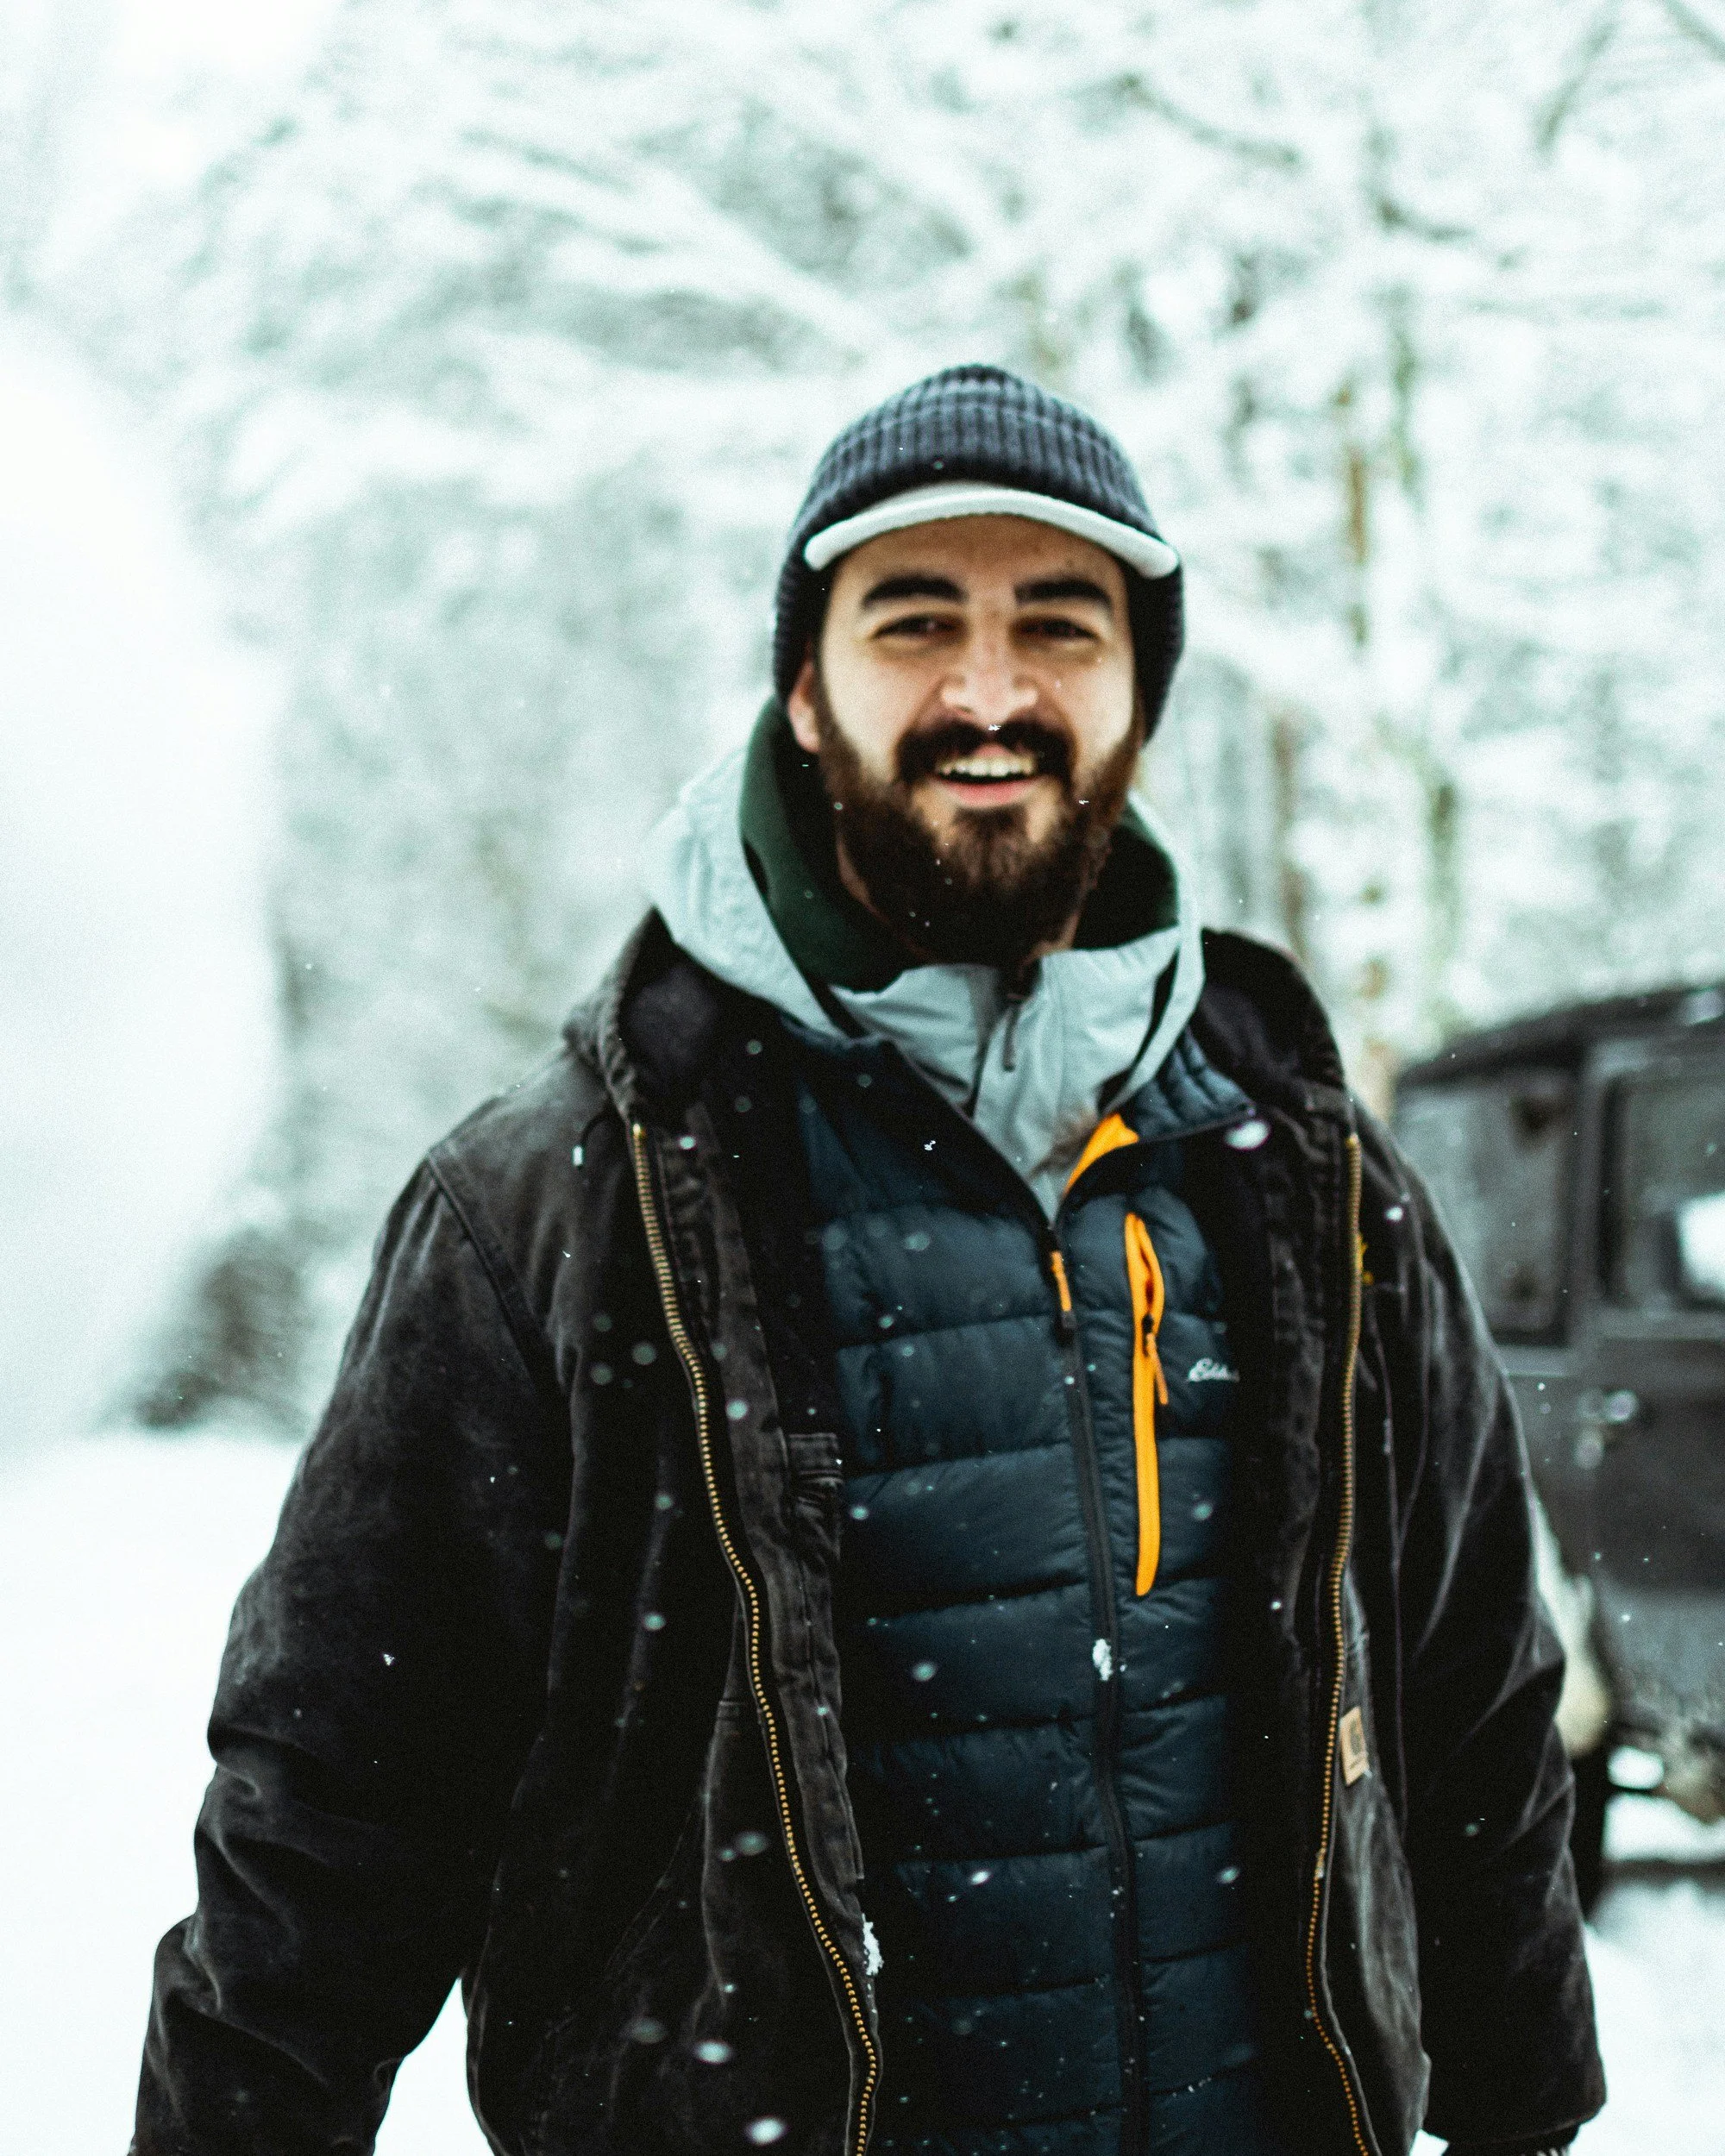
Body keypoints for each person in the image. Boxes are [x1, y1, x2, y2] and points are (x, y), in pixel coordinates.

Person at [135, 365, 1605, 2156]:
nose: (987, 692)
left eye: (1056, 626)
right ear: (805, 694)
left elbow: (1472, 1698)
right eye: (915, 622)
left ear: (1138, 696)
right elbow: (334, 1813)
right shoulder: (559, 1205)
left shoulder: (1305, 1172)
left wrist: (1528, 2109)